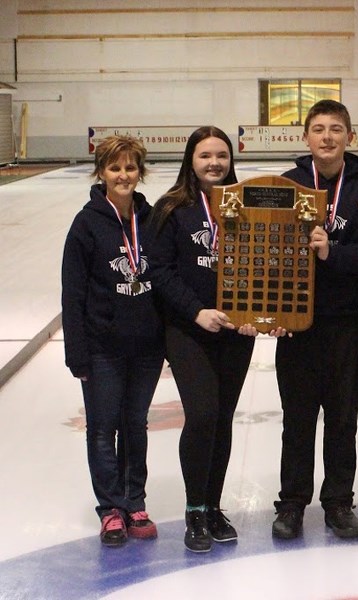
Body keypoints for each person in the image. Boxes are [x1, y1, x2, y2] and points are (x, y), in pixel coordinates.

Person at [271, 100, 358, 540]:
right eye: (318, 129)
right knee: (296, 419)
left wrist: (330, 252)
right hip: (298, 324)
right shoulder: (288, 184)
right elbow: (268, 255)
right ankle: (292, 503)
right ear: (306, 137)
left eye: (336, 129)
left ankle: (338, 501)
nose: (327, 137)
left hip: (349, 322)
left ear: (350, 137)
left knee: (343, 418)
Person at [149, 126, 259, 553]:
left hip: (235, 332)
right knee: (203, 415)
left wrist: (254, 316)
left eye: (221, 155)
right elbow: (159, 271)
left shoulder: (246, 204)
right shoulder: (172, 208)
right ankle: (194, 509)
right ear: (190, 161)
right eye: (204, 156)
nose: (214, 162)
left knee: (223, 418)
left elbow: (264, 263)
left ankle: (213, 506)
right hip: (187, 330)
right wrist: (196, 311)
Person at [61, 135, 164, 547]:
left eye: (130, 167)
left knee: (135, 425)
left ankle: (134, 501)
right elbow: (73, 293)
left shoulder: (152, 219)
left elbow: (167, 278)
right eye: (115, 168)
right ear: (101, 172)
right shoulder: (86, 224)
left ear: (140, 172)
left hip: (146, 347)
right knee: (103, 429)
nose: (123, 175)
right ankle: (110, 510)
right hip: (102, 348)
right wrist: (77, 353)